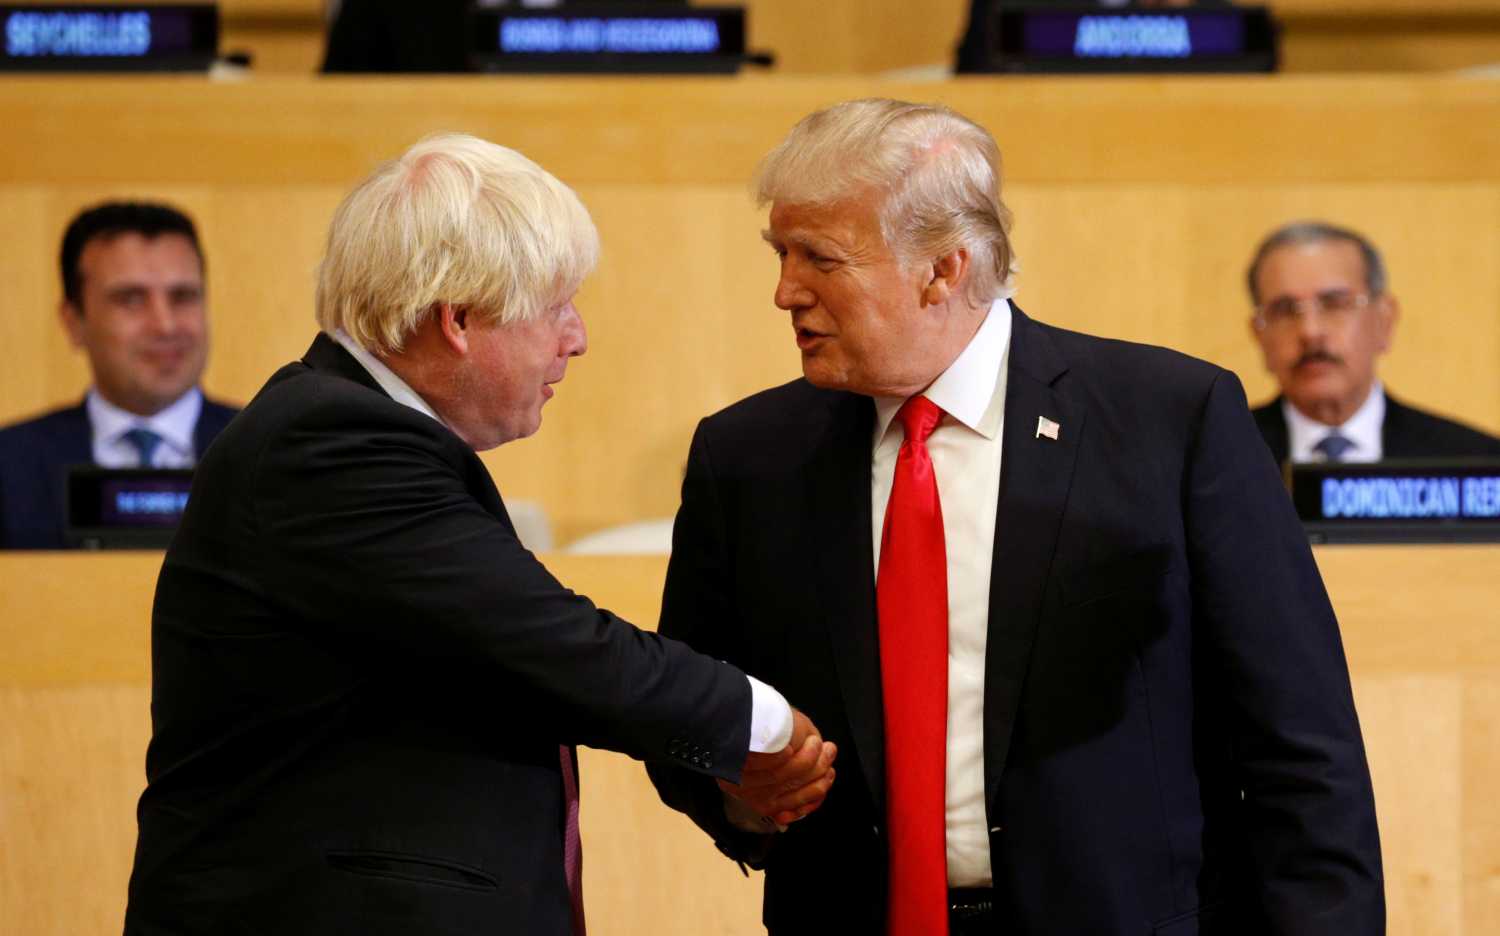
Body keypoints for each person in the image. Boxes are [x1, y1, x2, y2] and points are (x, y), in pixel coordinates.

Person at [647, 99, 1384, 935]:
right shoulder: (747, 457)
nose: (785, 292)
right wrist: (741, 802)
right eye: (781, 254)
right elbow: (688, 717)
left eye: (819, 258)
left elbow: (1301, 750)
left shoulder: (1169, 422)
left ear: (944, 268)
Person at [123, 134, 834, 936]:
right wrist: (766, 726)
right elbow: (552, 648)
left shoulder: (349, 431)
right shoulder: (329, 445)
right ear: (457, 319)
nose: (578, 337)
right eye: (557, 305)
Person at [0, 202, 238, 549]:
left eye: (182, 297)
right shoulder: (9, 466)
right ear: (73, 322)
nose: (166, 325)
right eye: (131, 300)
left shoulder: (274, 454)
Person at [1246, 220, 1500, 466]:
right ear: (1259, 335)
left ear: (1384, 321)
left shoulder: (1477, 462)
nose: (1310, 331)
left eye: (1334, 303)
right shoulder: (1217, 458)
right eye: (1284, 310)